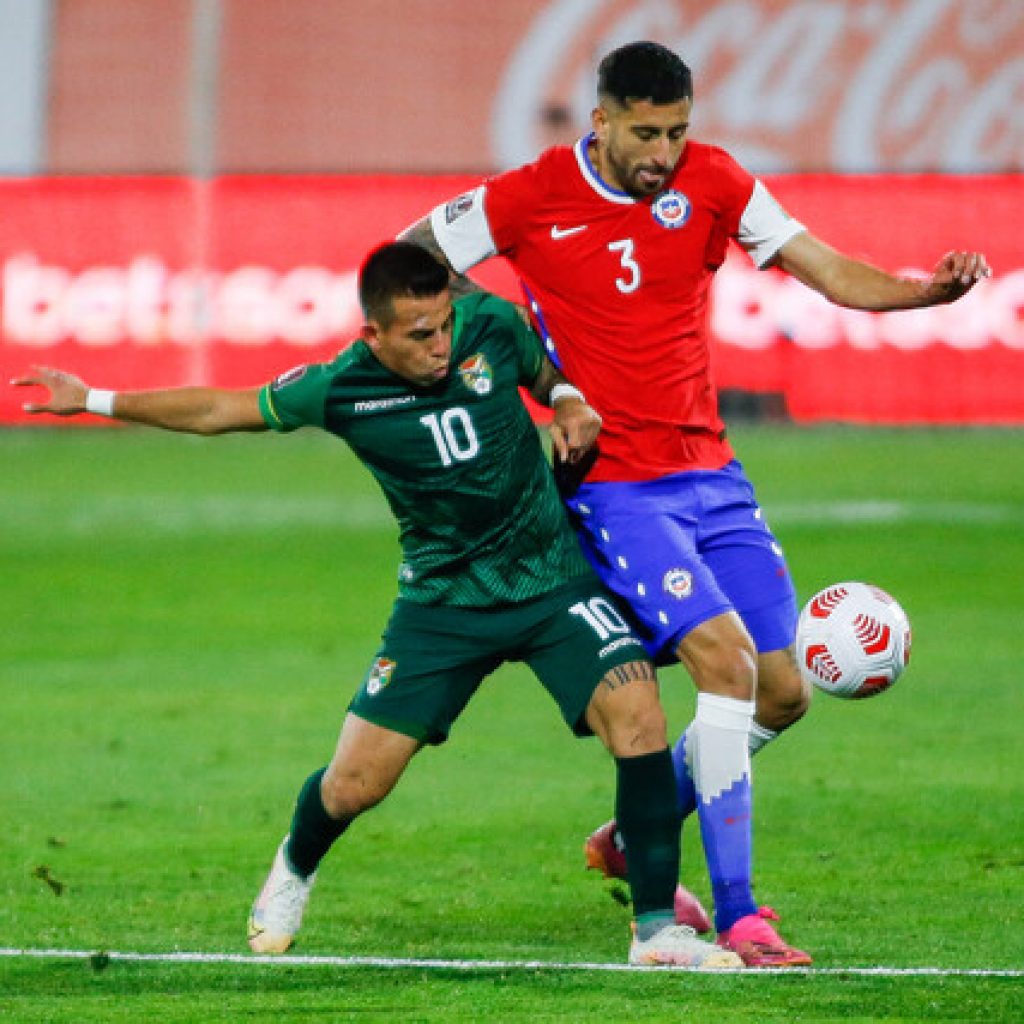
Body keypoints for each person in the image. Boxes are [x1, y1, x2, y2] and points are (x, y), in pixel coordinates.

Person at [400, 41, 991, 967]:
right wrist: (497, 354)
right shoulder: (531, 195)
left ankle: (636, 833)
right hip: (614, 486)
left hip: (711, 478)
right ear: (601, 120)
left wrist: (924, 294)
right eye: (645, 132)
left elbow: (827, 268)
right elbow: (412, 255)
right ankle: (744, 915)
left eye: (677, 131)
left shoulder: (713, 182)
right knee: (725, 668)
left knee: (785, 689)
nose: (662, 153)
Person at [12, 241, 744, 969]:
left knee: (638, 710)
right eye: (419, 336)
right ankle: (295, 866)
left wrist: (567, 398)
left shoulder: (486, 321)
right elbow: (219, 407)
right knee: (356, 784)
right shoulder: (341, 387)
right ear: (374, 335)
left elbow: (545, 370)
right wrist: (93, 399)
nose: (440, 346)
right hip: (443, 603)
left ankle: (656, 931)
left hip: (550, 579)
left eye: (444, 326)